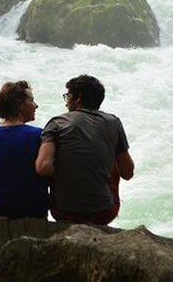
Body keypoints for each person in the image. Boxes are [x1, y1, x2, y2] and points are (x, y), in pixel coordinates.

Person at [35, 74, 134, 225]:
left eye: (68, 96)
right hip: (104, 213)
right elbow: (127, 173)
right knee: (111, 159)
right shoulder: (114, 122)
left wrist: (67, 171)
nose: (66, 102)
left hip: (63, 212)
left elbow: (43, 167)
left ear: (78, 98)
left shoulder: (57, 123)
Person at [0, 80, 49, 218]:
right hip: (31, 207)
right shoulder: (39, 135)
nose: (36, 105)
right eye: (31, 100)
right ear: (19, 105)